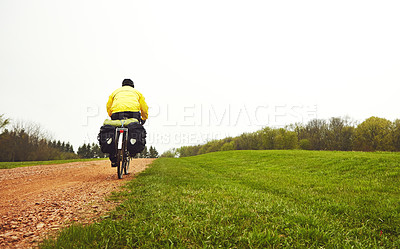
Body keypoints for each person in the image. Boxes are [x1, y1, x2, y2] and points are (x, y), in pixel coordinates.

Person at [106, 79, 148, 166]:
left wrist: (111, 115)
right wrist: (144, 118)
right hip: (133, 113)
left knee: (114, 131)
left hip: (116, 113)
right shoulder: (137, 93)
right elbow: (144, 108)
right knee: (133, 129)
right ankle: (131, 150)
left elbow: (108, 106)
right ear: (132, 86)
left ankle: (113, 157)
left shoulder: (115, 92)